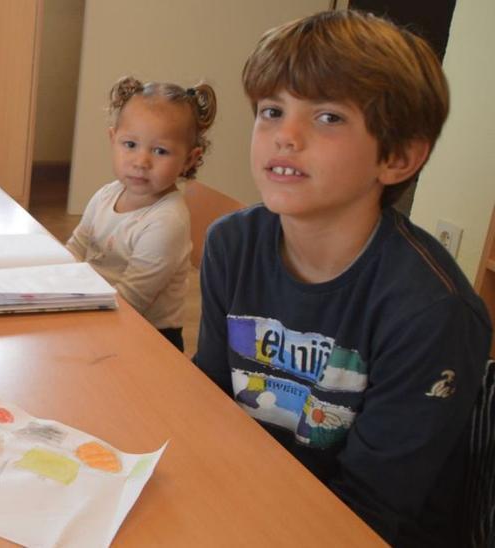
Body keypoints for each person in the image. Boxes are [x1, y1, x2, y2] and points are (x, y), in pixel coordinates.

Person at [193, 11, 491, 545]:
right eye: (271, 110)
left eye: (328, 117)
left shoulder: (431, 311)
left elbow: (376, 505)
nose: (285, 135)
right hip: (250, 497)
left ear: (398, 157)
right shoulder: (231, 244)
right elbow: (211, 397)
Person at [66, 77, 216, 352]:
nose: (141, 161)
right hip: (101, 314)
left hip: (148, 338)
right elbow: (76, 247)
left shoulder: (167, 220)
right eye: (130, 145)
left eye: (160, 151)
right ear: (113, 139)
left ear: (190, 159)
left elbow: (131, 300)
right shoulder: (107, 194)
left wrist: (73, 316)